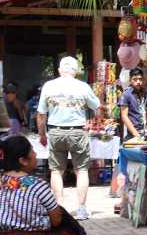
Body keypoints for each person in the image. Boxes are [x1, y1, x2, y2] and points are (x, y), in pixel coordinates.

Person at [0, 135, 92, 235]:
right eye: (32, 151)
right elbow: (56, 220)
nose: (36, 154)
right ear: (23, 160)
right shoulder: (38, 185)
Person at [36, 56, 102, 220]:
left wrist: (42, 134)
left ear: (59, 70)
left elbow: (40, 114)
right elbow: (98, 108)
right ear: (76, 72)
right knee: (81, 170)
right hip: (78, 132)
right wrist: (95, 123)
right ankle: (81, 208)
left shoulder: (49, 86)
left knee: (56, 171)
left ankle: (59, 207)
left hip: (56, 131)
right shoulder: (83, 86)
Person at [120, 68, 147, 141]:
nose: (138, 82)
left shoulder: (145, 93)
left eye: (140, 79)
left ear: (143, 80)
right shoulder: (126, 94)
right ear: (130, 80)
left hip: (145, 134)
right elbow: (124, 116)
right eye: (135, 79)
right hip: (133, 135)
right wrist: (135, 134)